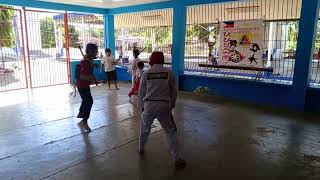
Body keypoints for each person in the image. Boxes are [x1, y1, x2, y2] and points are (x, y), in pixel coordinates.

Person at [137, 51, 186, 169]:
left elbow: (141, 92)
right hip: (164, 106)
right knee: (170, 131)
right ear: (162, 60)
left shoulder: (146, 73)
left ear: (151, 60)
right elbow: (174, 91)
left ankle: (141, 148)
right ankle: (177, 158)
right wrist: (172, 105)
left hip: (149, 105)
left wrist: (141, 106)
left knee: (145, 129)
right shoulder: (169, 73)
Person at [76, 43, 98, 132]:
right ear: (91, 52)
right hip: (82, 85)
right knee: (89, 101)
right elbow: (81, 76)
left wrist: (93, 76)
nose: (97, 52)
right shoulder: (86, 62)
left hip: (83, 85)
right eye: (95, 51)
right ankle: (84, 121)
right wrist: (90, 78)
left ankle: (81, 114)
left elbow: (89, 70)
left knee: (86, 100)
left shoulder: (89, 61)